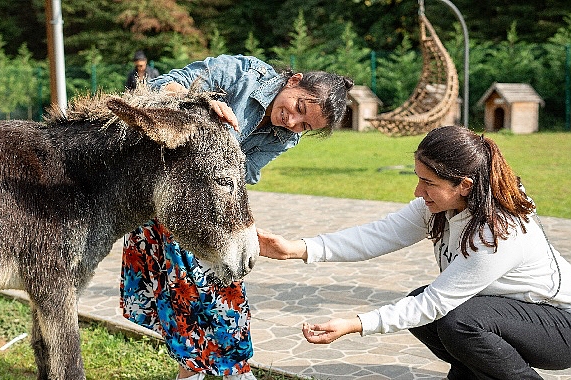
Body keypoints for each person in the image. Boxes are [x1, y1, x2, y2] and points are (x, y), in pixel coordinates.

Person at [258, 125, 571, 380]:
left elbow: (434, 304)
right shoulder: (441, 207)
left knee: (456, 319)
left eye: (427, 182)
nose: (418, 192)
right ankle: (471, 374)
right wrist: (295, 249)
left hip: (560, 327)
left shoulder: (498, 232)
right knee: (428, 309)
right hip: (510, 315)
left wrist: (356, 323)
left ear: (463, 184)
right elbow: (376, 236)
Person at [120, 54, 353, 380]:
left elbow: (246, 173)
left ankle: (214, 370)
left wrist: (240, 221)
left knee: (215, 285)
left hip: (207, 208)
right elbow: (160, 87)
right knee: (189, 290)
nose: (292, 123)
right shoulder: (242, 73)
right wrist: (198, 103)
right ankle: (221, 371)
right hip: (165, 191)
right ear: (294, 79)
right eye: (298, 108)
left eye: (305, 125)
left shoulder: (286, 137)